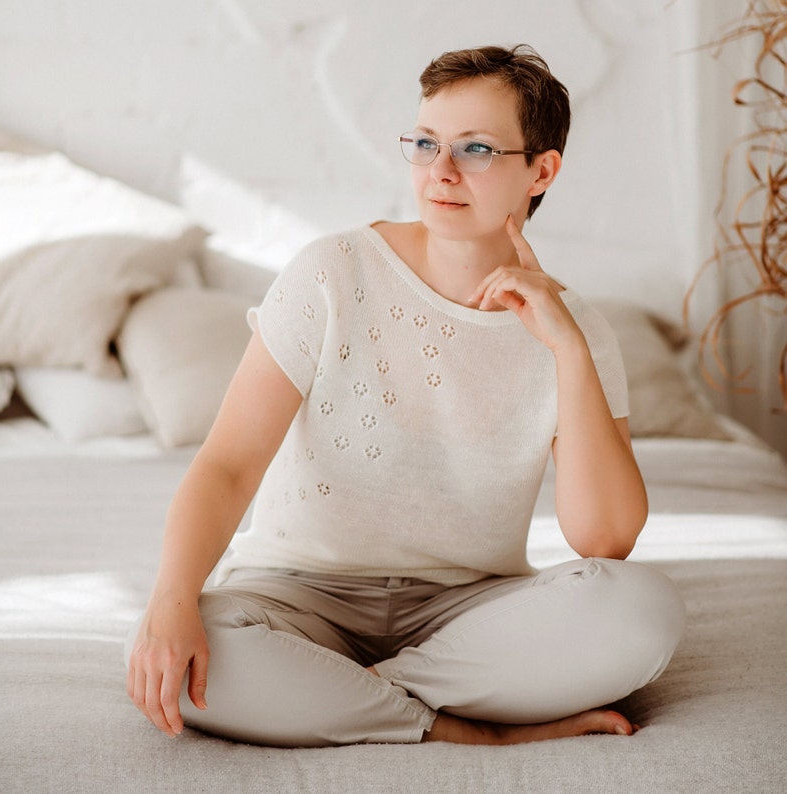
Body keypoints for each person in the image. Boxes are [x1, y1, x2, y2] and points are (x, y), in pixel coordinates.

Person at [126, 44, 685, 747]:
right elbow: (228, 465)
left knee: (642, 613)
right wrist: (170, 605)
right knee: (175, 651)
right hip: (297, 594)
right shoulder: (332, 271)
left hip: (466, 611)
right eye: (425, 144)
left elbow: (604, 541)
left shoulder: (580, 333)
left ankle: (337, 696)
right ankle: (451, 725)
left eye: (475, 149)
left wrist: (566, 350)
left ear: (540, 170)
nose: (440, 172)